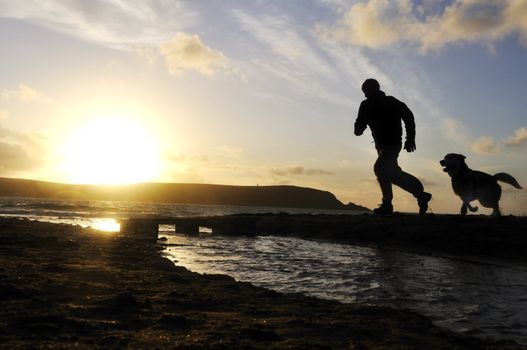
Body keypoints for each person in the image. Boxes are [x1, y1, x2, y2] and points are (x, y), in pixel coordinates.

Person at [354, 78, 432, 215]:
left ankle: (387, 204)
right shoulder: (365, 105)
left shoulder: (391, 102)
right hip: (380, 146)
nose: (365, 95)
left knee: (380, 168)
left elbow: (408, 117)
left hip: (393, 144)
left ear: (375, 90)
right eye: (364, 92)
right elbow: (359, 125)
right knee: (393, 174)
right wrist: (359, 127)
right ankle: (421, 194)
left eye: (366, 92)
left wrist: (410, 138)